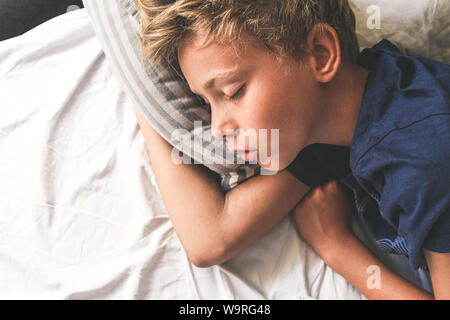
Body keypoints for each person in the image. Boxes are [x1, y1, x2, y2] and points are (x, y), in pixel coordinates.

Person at [133, 0, 450, 299]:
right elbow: (208, 238)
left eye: (233, 91)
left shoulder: (424, 160)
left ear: (321, 54)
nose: (216, 128)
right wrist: (139, 93)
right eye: (206, 102)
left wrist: (337, 247)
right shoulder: (333, 124)